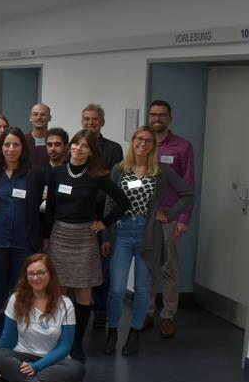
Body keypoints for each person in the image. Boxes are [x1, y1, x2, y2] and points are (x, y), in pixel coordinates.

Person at [102, 126, 193, 355]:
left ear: (154, 146)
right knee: (117, 289)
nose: (143, 143)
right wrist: (106, 236)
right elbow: (109, 204)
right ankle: (112, 332)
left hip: (148, 234)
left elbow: (187, 194)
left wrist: (169, 215)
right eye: (139, 139)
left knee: (142, 289)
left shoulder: (161, 171)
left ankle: (134, 334)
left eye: (148, 141)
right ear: (133, 142)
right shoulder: (119, 170)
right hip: (122, 233)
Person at [43, 129, 130, 361]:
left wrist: (104, 223)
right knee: (59, 292)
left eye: (84, 146)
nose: (78, 149)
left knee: (83, 292)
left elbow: (123, 202)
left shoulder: (97, 176)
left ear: (91, 152)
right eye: (75, 144)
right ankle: (60, 338)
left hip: (84, 238)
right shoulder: (57, 173)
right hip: (60, 235)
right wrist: (45, 239)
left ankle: (77, 341)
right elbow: (50, 208)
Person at [0, 253, 85, 382]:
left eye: (41, 273)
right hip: (23, 357)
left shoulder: (65, 304)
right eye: (31, 274)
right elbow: (8, 339)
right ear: (25, 276)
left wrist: (36, 366)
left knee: (77, 371)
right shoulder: (16, 299)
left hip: (54, 361)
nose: (36, 278)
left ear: (50, 274)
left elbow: (65, 347)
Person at [0, 127, 43, 340]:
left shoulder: (34, 174)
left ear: (22, 148)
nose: (11, 149)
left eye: (16, 144)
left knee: (22, 291)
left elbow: (42, 207)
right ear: (1, 147)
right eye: (7, 144)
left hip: (24, 244)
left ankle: (20, 334)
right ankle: (0, 335)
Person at [147, 99, 196, 337]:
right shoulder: (142, 143)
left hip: (170, 216)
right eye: (154, 115)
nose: (157, 119)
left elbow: (188, 183)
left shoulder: (182, 146)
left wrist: (184, 218)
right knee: (147, 266)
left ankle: (167, 316)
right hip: (145, 217)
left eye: (162, 115)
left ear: (170, 118)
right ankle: (145, 312)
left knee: (170, 267)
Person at [81, 103, 125, 329]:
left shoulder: (114, 149)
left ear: (102, 122)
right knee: (81, 264)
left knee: (102, 264)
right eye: (87, 119)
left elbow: (114, 181)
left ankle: (100, 309)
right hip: (80, 215)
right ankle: (81, 307)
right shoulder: (77, 144)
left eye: (95, 119)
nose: (90, 123)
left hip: (102, 214)